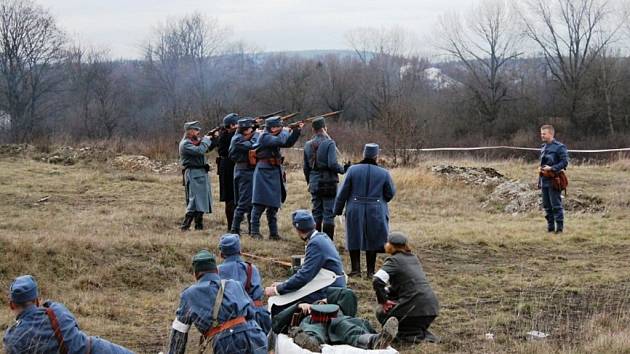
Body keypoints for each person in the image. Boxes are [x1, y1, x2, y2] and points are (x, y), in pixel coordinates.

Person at [167, 250, 267, 354]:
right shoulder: (235, 284)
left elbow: (179, 333)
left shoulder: (189, 294)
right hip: (254, 336)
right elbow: (252, 313)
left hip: (226, 344)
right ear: (216, 270)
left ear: (196, 274)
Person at [4, 275, 133, 353]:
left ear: (11, 305)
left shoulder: (13, 339)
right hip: (99, 350)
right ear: (37, 301)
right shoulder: (56, 310)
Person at [264, 210, 346, 316]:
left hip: (328, 288)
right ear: (314, 224)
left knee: (278, 304)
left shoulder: (315, 243)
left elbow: (304, 276)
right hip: (330, 284)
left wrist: (277, 290)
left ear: (298, 230)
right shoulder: (322, 237)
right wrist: (283, 284)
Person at [334, 143, 396, 277]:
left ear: (364, 154)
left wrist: (337, 209)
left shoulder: (352, 170)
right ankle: (370, 271)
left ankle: (356, 270)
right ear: (376, 156)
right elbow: (390, 193)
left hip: (354, 208)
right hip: (376, 209)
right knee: (373, 239)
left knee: (354, 237)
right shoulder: (384, 173)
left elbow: (343, 192)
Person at [372, 232, 440, 343]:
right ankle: (416, 334)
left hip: (415, 308)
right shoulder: (414, 258)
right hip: (431, 308)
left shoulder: (393, 260)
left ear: (390, 246)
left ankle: (409, 336)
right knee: (412, 327)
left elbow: (377, 280)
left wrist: (383, 301)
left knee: (381, 311)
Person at [250, 116, 303, 240]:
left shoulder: (274, 136)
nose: (280, 128)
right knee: (259, 203)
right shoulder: (265, 136)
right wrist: (285, 130)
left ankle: (274, 233)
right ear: (272, 128)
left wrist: (296, 131)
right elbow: (281, 140)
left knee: (273, 204)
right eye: (278, 126)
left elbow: (288, 143)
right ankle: (254, 232)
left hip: (273, 171)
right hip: (264, 171)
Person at [287, 301, 398, 352]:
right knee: (314, 329)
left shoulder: (328, 275)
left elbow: (343, 293)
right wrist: (298, 305)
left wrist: (327, 299)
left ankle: (375, 341)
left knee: (346, 327)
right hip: (310, 315)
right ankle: (310, 342)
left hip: (333, 313)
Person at [303, 116, 349, 240]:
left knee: (316, 212)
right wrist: (344, 169)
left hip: (314, 182)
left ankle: (315, 241)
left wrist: (310, 181)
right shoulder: (329, 143)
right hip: (328, 182)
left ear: (313, 130)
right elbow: (332, 164)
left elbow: (306, 168)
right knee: (328, 214)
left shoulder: (307, 145)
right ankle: (327, 243)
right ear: (324, 128)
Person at [218, 233, 272, 334]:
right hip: (255, 318)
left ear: (221, 254)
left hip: (229, 322)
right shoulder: (251, 268)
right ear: (240, 251)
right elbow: (258, 295)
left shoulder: (217, 272)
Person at [178, 121, 217, 231]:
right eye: (196, 130)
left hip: (200, 173)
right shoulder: (185, 144)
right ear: (190, 131)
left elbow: (207, 149)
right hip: (194, 174)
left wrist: (214, 139)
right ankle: (185, 226)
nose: (198, 132)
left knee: (202, 200)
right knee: (195, 201)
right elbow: (200, 150)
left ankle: (199, 226)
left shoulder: (194, 142)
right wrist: (206, 140)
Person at [229, 117, 260, 235]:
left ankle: (251, 230)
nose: (251, 130)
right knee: (243, 202)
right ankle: (235, 229)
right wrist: (257, 135)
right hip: (244, 171)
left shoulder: (239, 137)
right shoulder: (237, 140)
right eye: (249, 129)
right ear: (244, 130)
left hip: (245, 170)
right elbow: (253, 145)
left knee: (250, 202)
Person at [539, 124, 569, 233]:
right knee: (546, 205)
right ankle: (550, 228)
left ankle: (559, 229)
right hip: (544, 180)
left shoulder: (560, 147)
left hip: (554, 180)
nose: (542, 136)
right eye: (541, 133)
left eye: (544, 134)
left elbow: (565, 162)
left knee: (556, 205)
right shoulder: (543, 147)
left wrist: (552, 168)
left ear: (550, 134)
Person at [217, 113, 240, 231]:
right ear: (231, 125)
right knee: (230, 198)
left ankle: (235, 226)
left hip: (229, 166)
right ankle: (231, 227)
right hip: (228, 168)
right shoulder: (227, 135)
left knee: (236, 198)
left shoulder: (226, 133)